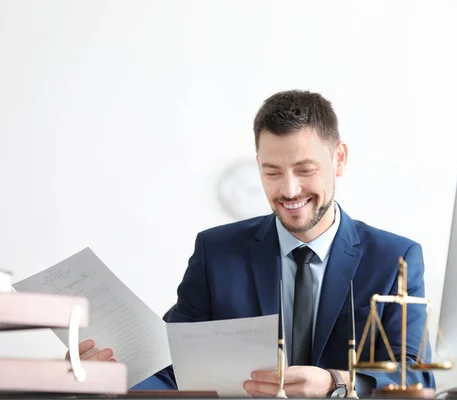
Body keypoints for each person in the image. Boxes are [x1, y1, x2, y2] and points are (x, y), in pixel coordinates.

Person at [66, 90, 436, 397]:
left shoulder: (395, 258)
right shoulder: (217, 253)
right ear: (258, 164)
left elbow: (417, 377)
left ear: (338, 159)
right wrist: (114, 380)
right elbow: (173, 368)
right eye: (272, 172)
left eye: (305, 170)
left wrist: (334, 382)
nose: (289, 191)